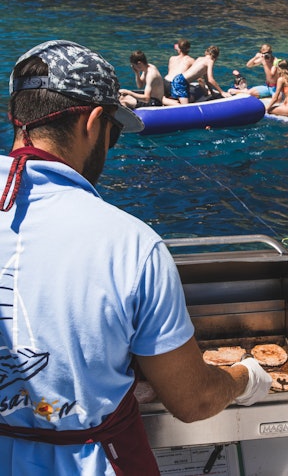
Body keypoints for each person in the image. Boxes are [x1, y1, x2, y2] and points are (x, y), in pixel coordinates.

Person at [0, 40, 271, 475]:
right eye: (116, 130)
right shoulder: (131, 244)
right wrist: (244, 379)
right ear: (94, 123)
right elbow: (193, 399)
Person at [163, 45, 230, 105]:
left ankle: (169, 99)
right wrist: (222, 92)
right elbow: (210, 79)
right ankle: (164, 100)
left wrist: (212, 92)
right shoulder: (210, 61)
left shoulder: (200, 58)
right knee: (185, 107)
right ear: (216, 57)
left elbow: (206, 79)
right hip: (181, 82)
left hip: (179, 79)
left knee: (191, 99)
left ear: (206, 52)